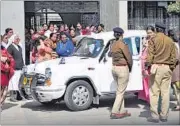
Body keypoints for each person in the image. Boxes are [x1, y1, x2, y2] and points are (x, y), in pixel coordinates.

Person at [145, 23, 176, 123]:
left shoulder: (153, 40)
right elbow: (174, 57)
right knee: (165, 93)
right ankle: (164, 115)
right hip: (167, 68)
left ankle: (155, 116)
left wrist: (147, 66)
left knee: (154, 93)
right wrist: (171, 67)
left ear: (157, 29)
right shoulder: (170, 40)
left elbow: (150, 56)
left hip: (156, 67)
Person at [109, 27, 132, 119]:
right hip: (122, 68)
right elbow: (128, 57)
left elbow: (110, 54)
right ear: (122, 35)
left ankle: (121, 110)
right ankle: (114, 112)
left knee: (120, 91)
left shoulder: (113, 44)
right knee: (120, 92)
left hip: (114, 68)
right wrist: (130, 67)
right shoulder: (122, 44)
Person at [138, 26, 156, 103]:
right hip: (144, 63)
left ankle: (150, 98)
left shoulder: (155, 40)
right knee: (145, 81)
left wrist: (147, 46)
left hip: (149, 63)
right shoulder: (146, 39)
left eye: (150, 32)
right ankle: (146, 97)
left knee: (150, 81)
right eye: (148, 33)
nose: (149, 34)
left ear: (154, 32)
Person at [7, 34, 24, 102]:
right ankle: (12, 97)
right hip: (13, 68)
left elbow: (21, 57)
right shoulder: (10, 47)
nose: (18, 40)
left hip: (19, 68)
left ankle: (18, 96)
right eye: (16, 39)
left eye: (18, 39)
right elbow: (8, 58)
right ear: (13, 40)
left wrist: (23, 64)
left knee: (18, 83)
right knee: (12, 83)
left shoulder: (19, 47)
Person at [1, 40, 15, 111]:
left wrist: (7, 59)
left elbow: (11, 58)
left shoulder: (4, 49)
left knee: (4, 88)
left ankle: (1, 103)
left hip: (4, 72)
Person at [168, 30, 180, 111]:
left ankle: (179, 104)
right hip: (177, 67)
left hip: (175, 68)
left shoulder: (173, 45)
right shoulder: (176, 44)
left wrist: (170, 65)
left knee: (177, 87)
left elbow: (176, 58)